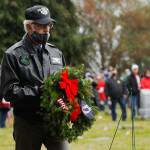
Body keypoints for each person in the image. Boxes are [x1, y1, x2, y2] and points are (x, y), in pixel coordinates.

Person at [0, 5, 68, 150]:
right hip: (27, 123)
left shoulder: (56, 53)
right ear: (30, 27)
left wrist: (72, 103)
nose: (47, 29)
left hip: (54, 121)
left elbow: (66, 83)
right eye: (42, 25)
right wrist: (39, 91)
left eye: (49, 25)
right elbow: (9, 91)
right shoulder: (13, 54)